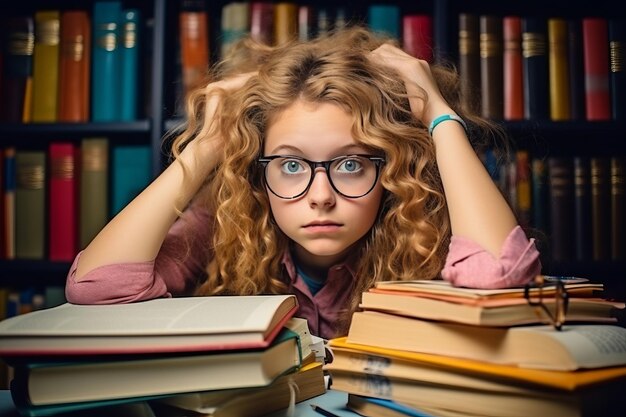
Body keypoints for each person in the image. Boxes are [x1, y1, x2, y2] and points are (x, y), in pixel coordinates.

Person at [66, 27, 541, 339]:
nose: (320, 197)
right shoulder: (222, 223)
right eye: (291, 166)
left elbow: (497, 278)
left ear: (392, 172)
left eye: (352, 165)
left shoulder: (427, 231)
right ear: (258, 171)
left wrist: (438, 113)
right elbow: (96, 286)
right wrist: (210, 143)